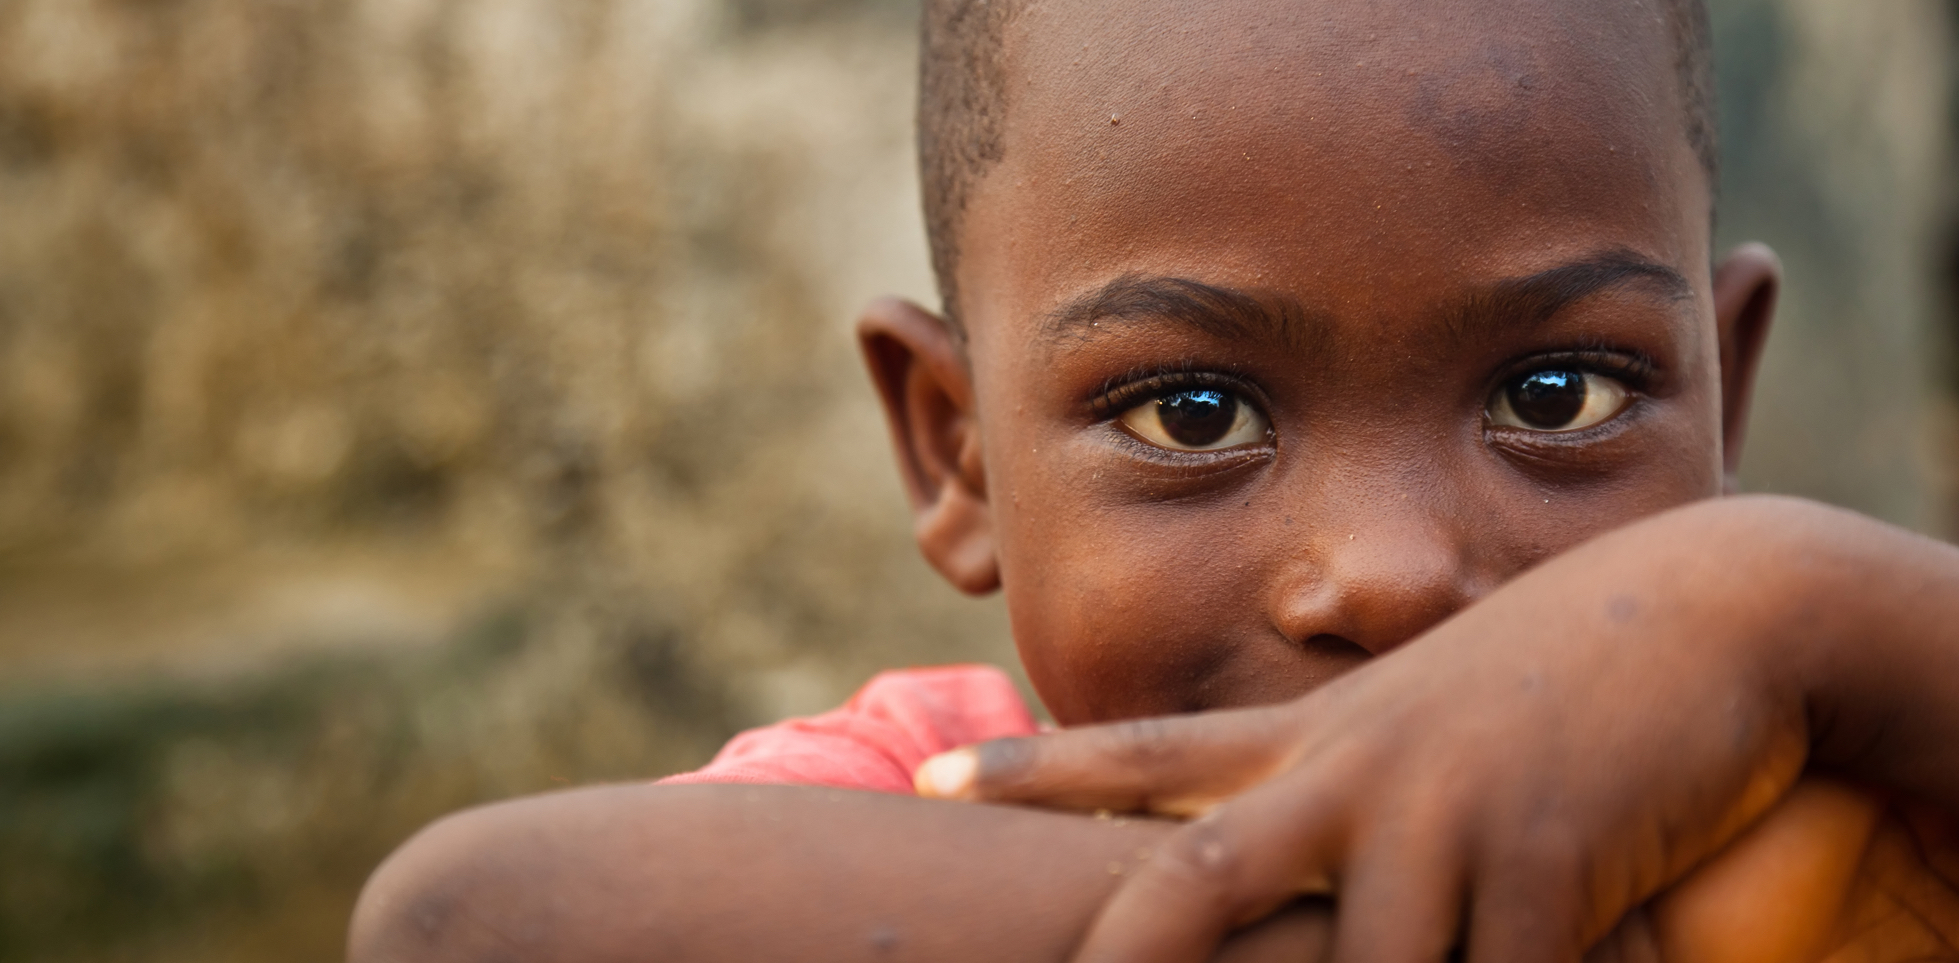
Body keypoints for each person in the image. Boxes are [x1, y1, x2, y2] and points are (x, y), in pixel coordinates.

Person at [346, 0, 1959, 960]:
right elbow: (473, 924)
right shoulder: (918, 808)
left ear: (1723, 388)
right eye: (1194, 415)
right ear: (957, 452)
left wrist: (1787, 608)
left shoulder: (1838, 773)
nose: (1392, 570)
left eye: (1559, 395)